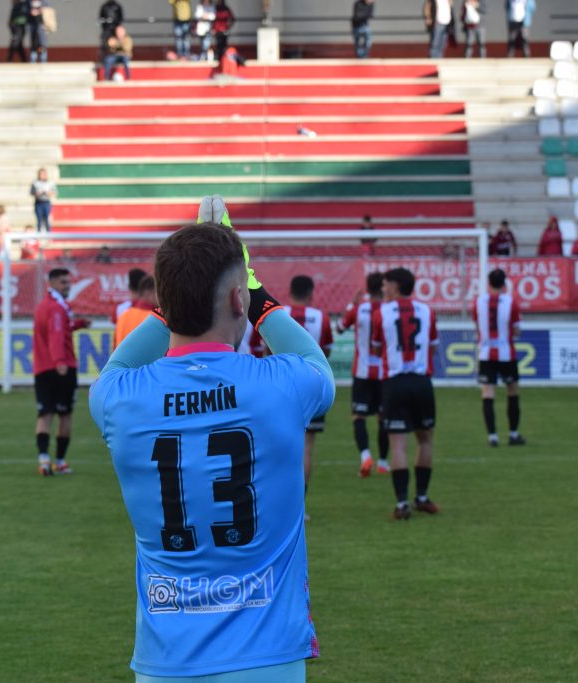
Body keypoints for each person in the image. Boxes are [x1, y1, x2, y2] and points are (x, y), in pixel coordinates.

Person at [88, 203, 334, 680]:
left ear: (164, 303)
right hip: (266, 659)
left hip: (165, 663)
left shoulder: (118, 397)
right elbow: (315, 363)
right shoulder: (279, 385)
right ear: (239, 300)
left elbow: (117, 365)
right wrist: (255, 289)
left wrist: (179, 295)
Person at [371, 267, 440, 520]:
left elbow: (377, 349)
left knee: (398, 444)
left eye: (385, 284)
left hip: (395, 383)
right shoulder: (427, 311)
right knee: (425, 439)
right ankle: (421, 497)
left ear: (396, 286)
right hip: (421, 382)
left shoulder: (381, 313)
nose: (383, 288)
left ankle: (402, 504)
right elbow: (433, 347)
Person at [279, 275, 333, 511]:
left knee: (278, 444)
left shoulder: (278, 315)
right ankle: (300, 506)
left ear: (290, 291)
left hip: (282, 387)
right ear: (311, 293)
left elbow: (266, 350)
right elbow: (325, 353)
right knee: (307, 447)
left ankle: (280, 504)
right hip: (311, 386)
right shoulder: (321, 317)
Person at [33, 268, 91, 476]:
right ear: (52, 283)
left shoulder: (44, 306)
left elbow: (59, 328)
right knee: (65, 415)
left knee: (44, 414)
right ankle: (59, 461)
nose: (68, 286)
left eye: (68, 282)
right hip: (62, 366)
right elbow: (57, 334)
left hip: (41, 368)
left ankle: (43, 459)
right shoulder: (57, 307)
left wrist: (78, 324)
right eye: (63, 282)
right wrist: (59, 361)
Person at [338, 273, 390, 477]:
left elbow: (340, 328)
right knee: (383, 417)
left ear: (367, 289)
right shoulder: (389, 309)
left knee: (359, 416)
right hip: (384, 373)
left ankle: (365, 456)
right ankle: (383, 462)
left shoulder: (359, 309)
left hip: (362, 372)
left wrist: (351, 304)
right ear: (383, 288)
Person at [473, 269, 525, 448]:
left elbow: (477, 327)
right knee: (512, 391)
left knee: (487, 393)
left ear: (488, 283)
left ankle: (492, 437)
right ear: (504, 284)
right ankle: (513, 434)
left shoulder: (478, 301)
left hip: (486, 353)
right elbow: (516, 331)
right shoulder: (511, 302)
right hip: (506, 353)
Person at [114, 275, 157, 347]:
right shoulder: (154, 317)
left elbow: (115, 345)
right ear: (149, 293)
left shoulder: (124, 315)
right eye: (158, 293)